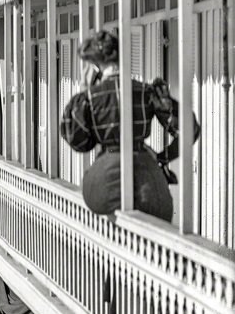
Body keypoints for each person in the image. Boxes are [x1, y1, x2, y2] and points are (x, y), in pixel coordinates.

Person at [60, 30, 199, 222]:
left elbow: (79, 142)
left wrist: (85, 92)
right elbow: (189, 129)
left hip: (104, 183)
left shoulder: (91, 97)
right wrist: (161, 158)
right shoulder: (146, 92)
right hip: (148, 180)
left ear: (94, 65)